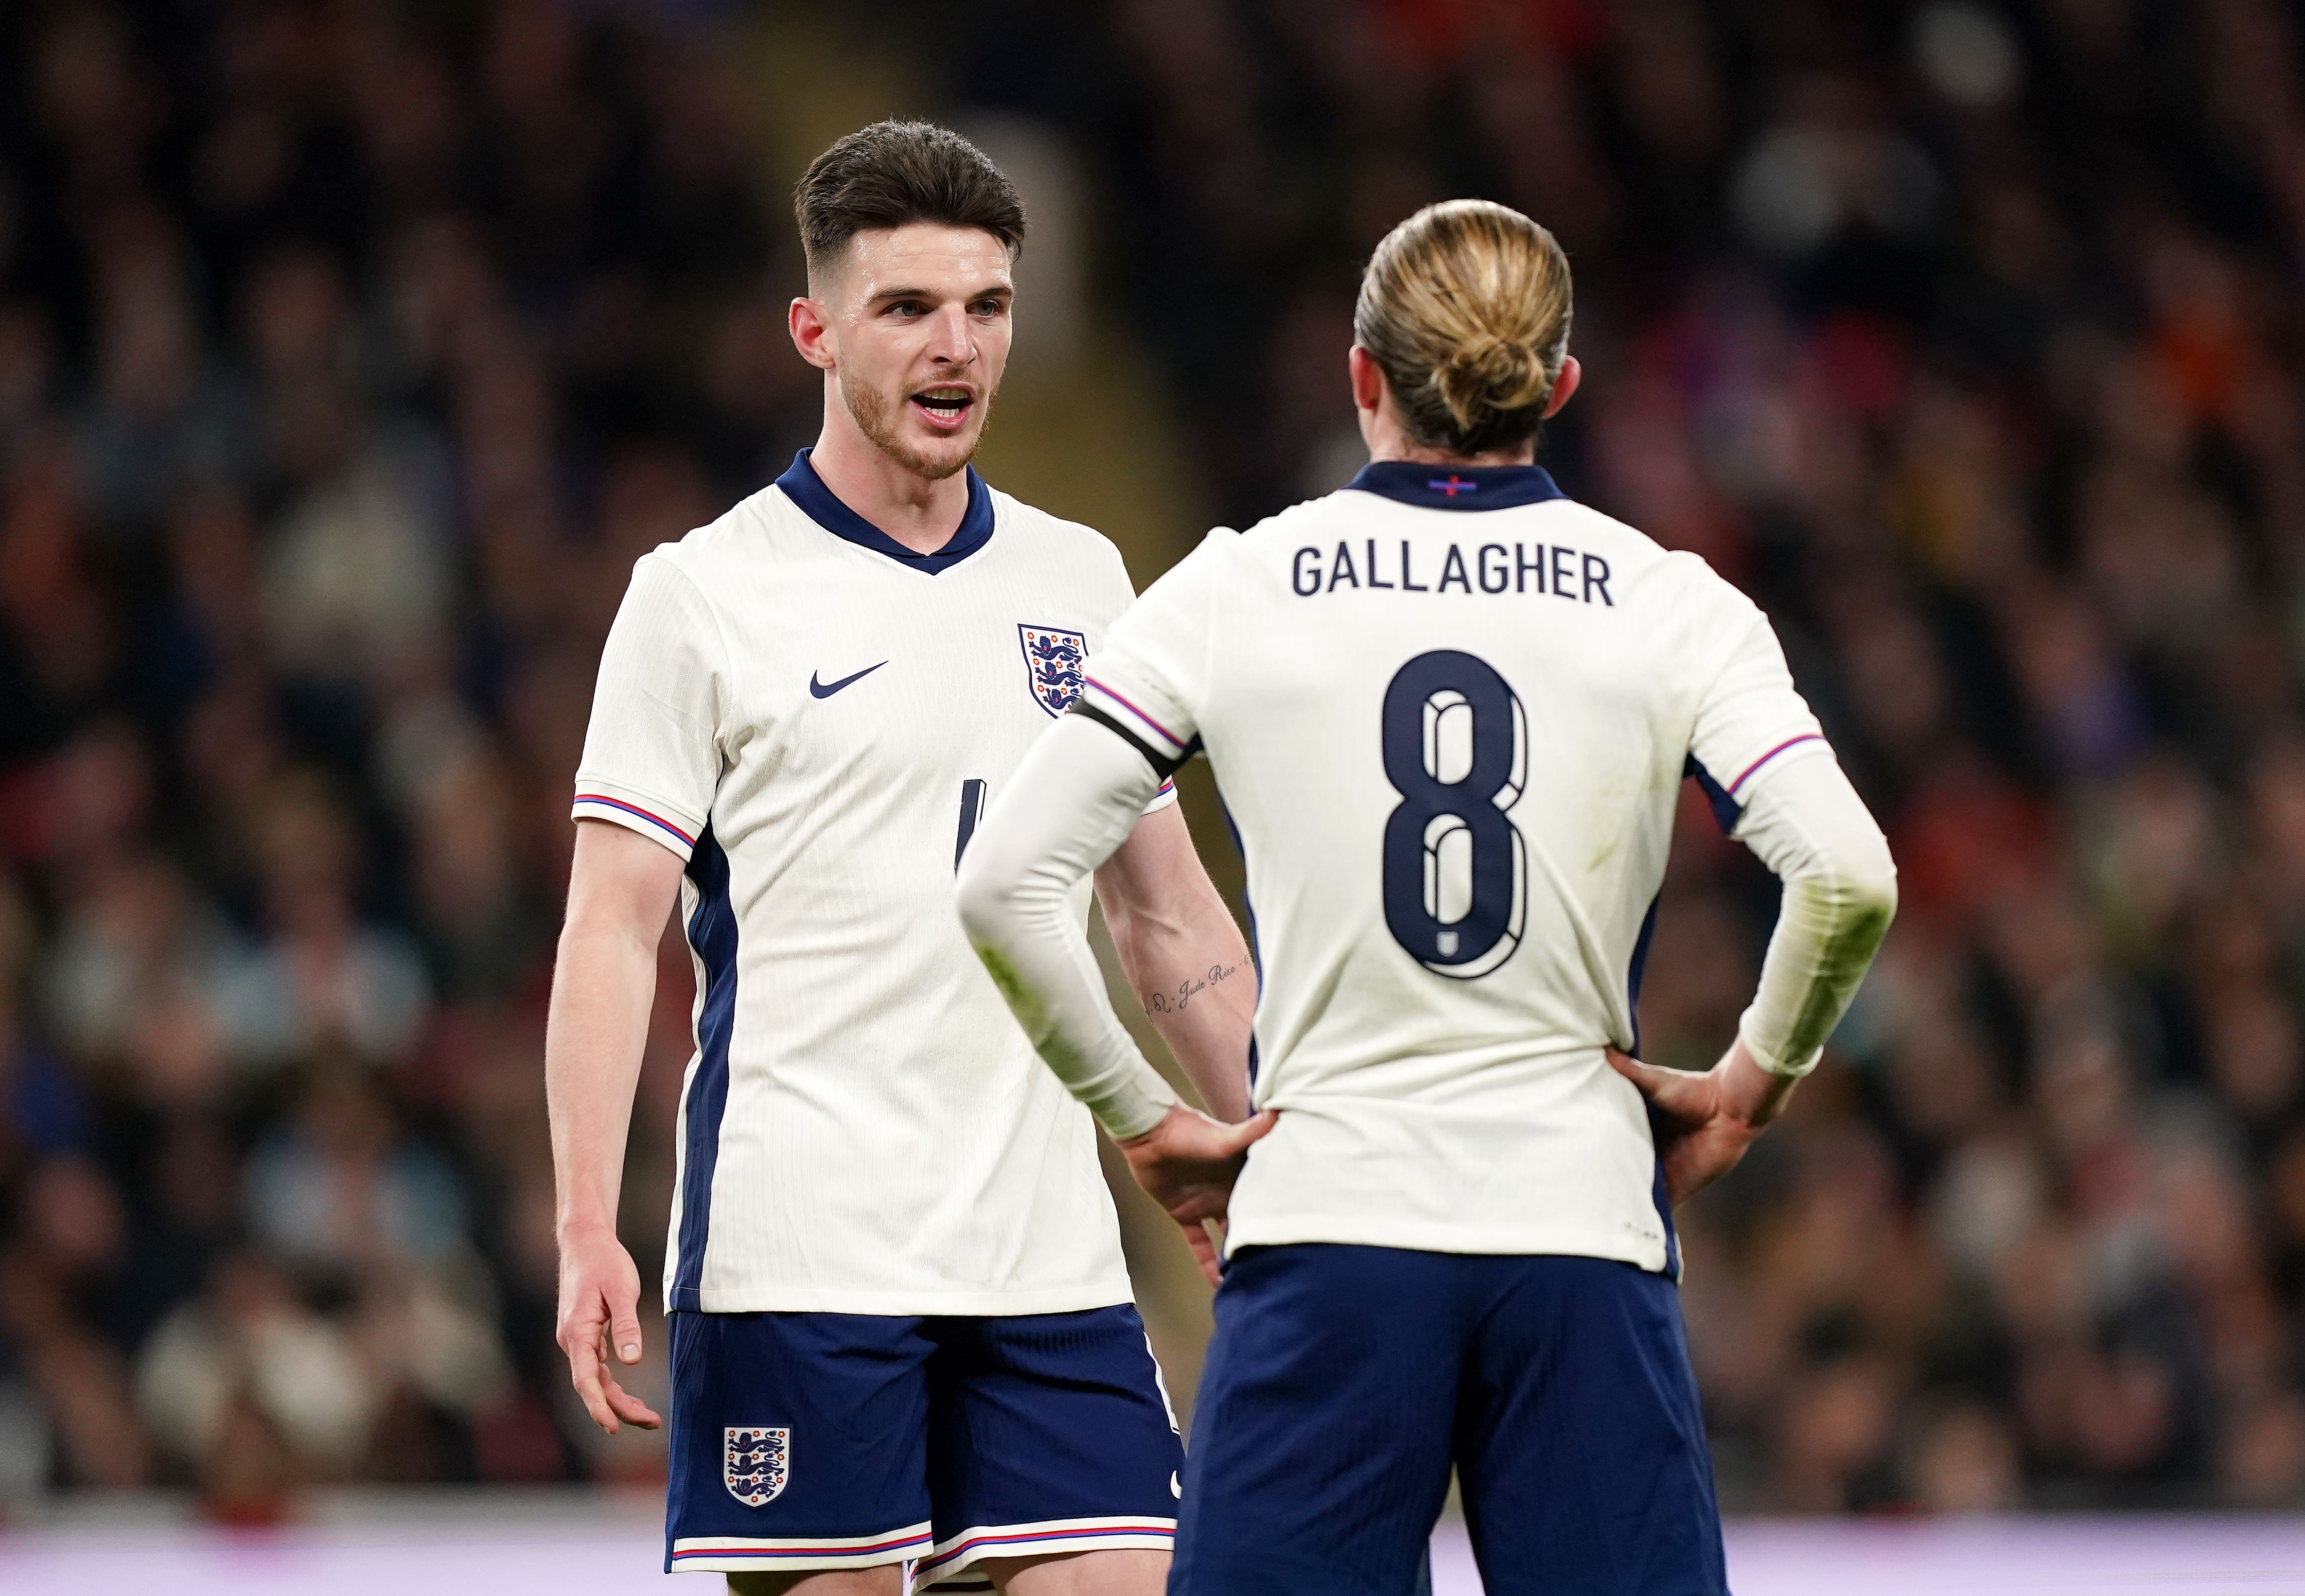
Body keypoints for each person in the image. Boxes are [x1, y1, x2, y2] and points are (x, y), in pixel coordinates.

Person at [955, 199, 1899, 1596]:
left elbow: (1001, 884)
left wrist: (1146, 1119)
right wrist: (1753, 1078)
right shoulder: (1672, 603)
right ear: (1560, 387)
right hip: (1576, 1231)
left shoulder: (1234, 587)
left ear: (1359, 377)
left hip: (1326, 1227)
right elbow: (1848, 873)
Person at [546, 122, 1256, 1596]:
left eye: (987, 307)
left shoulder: (1079, 578)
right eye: (908, 309)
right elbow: (613, 927)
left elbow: (1163, 908)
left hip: (1045, 1265)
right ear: (813, 328)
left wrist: (1274, 1146)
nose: (957, 349)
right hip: (803, 1260)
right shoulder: (701, 596)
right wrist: (583, 1223)